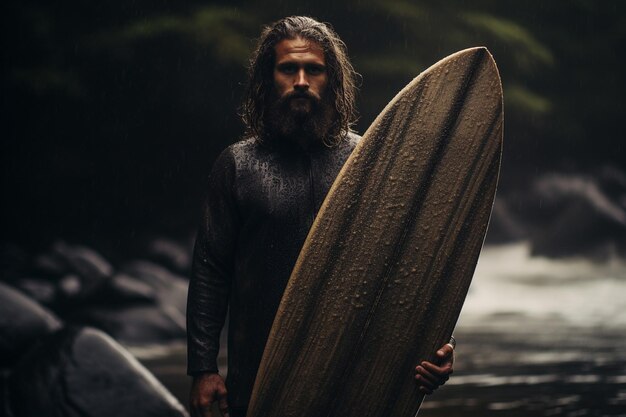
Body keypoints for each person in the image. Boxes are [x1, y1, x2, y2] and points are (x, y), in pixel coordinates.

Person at [186, 16, 455, 417]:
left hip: (357, 388)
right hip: (261, 389)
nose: (300, 81)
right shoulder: (238, 166)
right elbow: (211, 270)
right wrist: (203, 369)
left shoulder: (368, 160)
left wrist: (436, 344)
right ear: (267, 78)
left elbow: (409, 266)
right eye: (287, 68)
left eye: (313, 69)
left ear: (332, 80)